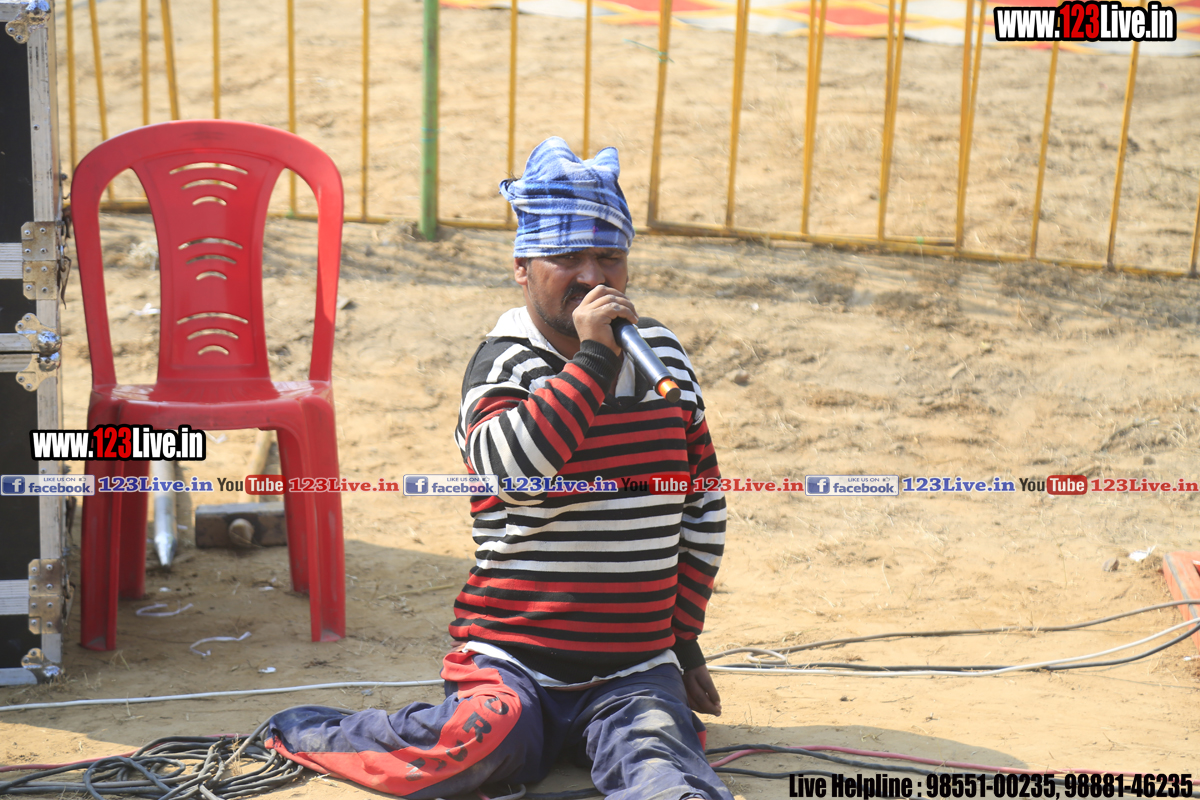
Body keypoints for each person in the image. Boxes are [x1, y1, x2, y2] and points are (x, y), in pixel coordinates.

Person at [267, 137, 730, 800]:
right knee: (483, 741)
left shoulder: (662, 359)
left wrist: (683, 644)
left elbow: (702, 509)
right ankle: (314, 732)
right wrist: (593, 362)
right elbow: (515, 474)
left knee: (666, 773)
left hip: (633, 669)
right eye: (566, 258)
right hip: (513, 663)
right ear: (522, 266)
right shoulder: (505, 362)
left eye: (610, 257)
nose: (592, 276)